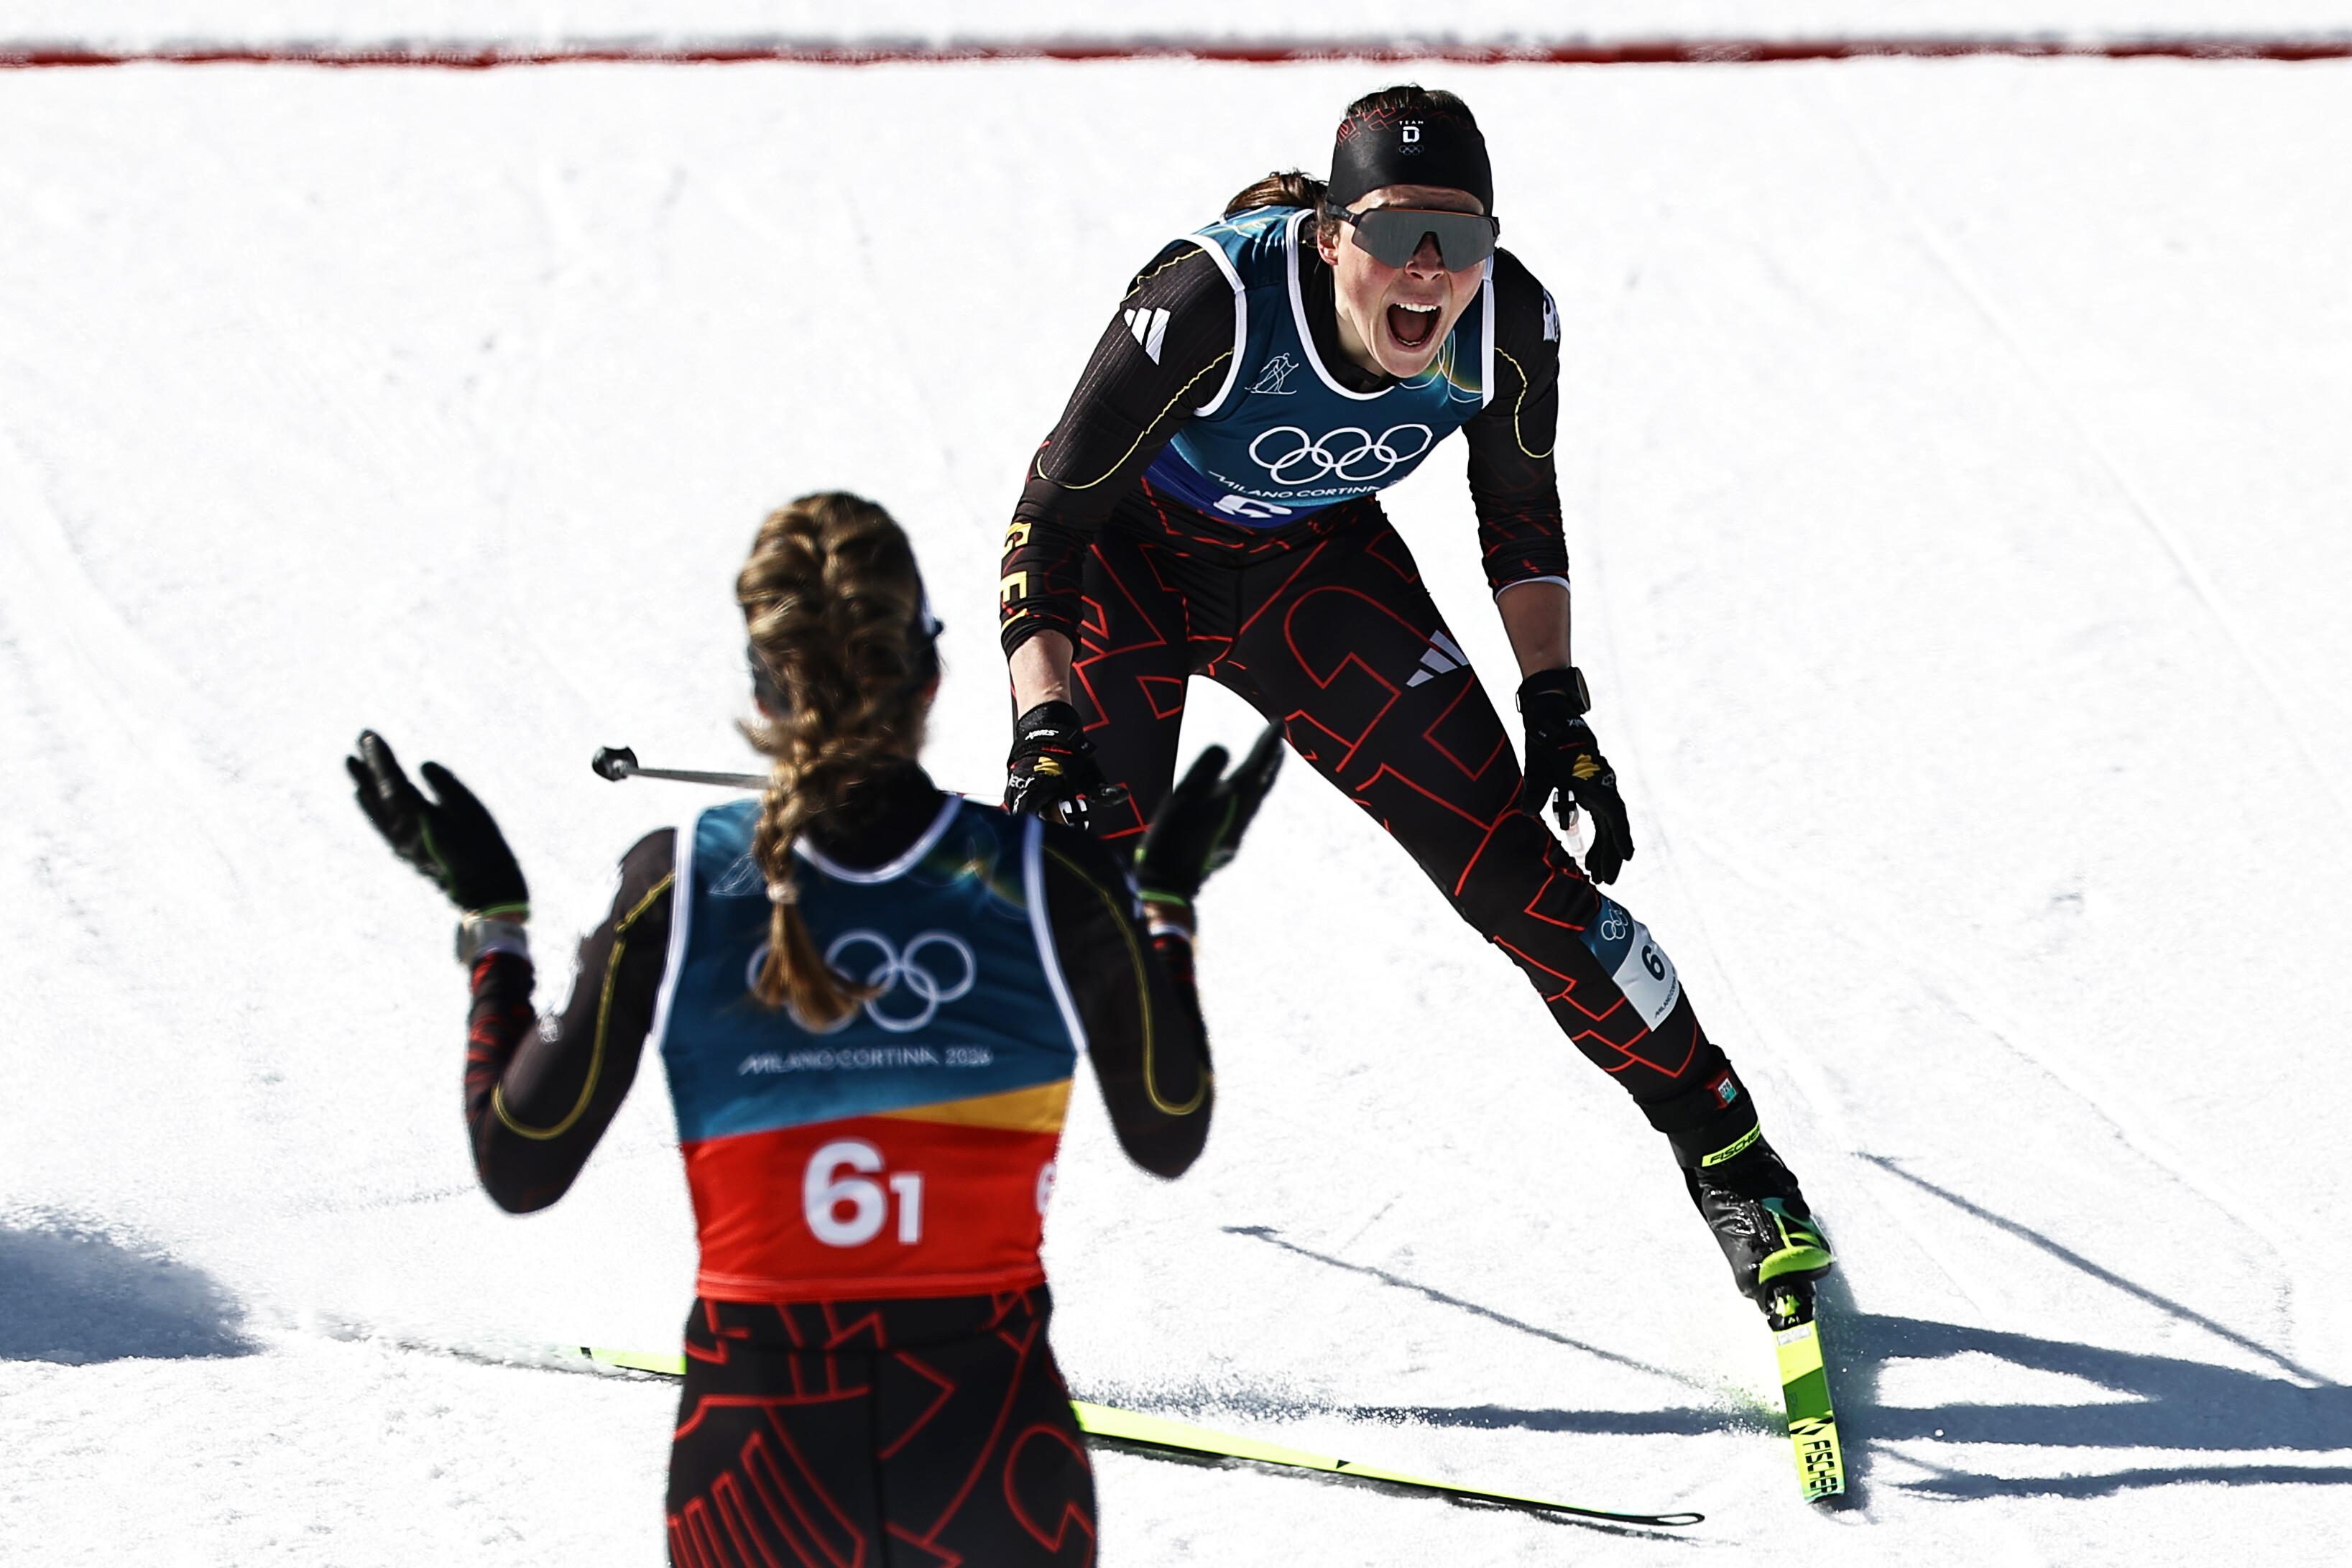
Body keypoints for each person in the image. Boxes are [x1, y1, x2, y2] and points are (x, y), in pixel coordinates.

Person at [996, 86, 1832, 1322]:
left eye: (1460, 238)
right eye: (1395, 234)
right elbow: (1047, 522)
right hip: (1131, 565)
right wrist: (1044, 728)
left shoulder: (1507, 324)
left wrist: (1556, 707)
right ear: (1332, 237)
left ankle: (1733, 1160)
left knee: (1519, 878)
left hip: (1310, 578)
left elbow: (1520, 516)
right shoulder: (1209, 304)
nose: (1429, 274)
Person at [349, 491, 1281, 1565]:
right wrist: (1160, 908)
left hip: (760, 1469)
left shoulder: (677, 882)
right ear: (930, 677)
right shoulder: (1042, 875)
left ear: (761, 689)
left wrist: (495, 929)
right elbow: (1167, 1128)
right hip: (990, 1462)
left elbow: (520, 1164)